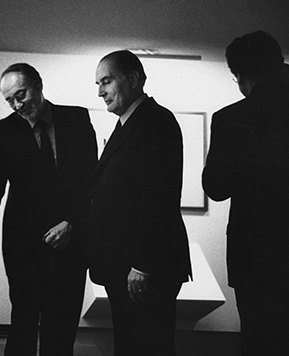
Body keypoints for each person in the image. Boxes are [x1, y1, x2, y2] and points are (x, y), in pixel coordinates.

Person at [0, 63, 98, 356]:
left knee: (62, 328)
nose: (17, 105)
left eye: (21, 95)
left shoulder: (77, 119)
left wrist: (71, 222)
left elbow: (90, 179)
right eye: (9, 100)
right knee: (23, 325)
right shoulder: (1, 133)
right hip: (23, 246)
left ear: (38, 84)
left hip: (72, 242)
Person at [202, 31, 289, 355]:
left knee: (258, 340)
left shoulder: (230, 119)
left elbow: (216, 189)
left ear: (240, 75)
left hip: (254, 257)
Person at [87, 50, 192, 356]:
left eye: (107, 80)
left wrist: (142, 264)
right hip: (125, 265)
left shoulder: (157, 121)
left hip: (144, 267)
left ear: (132, 79)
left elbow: (159, 198)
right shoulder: (128, 124)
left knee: (149, 346)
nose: (100, 91)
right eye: (98, 83)